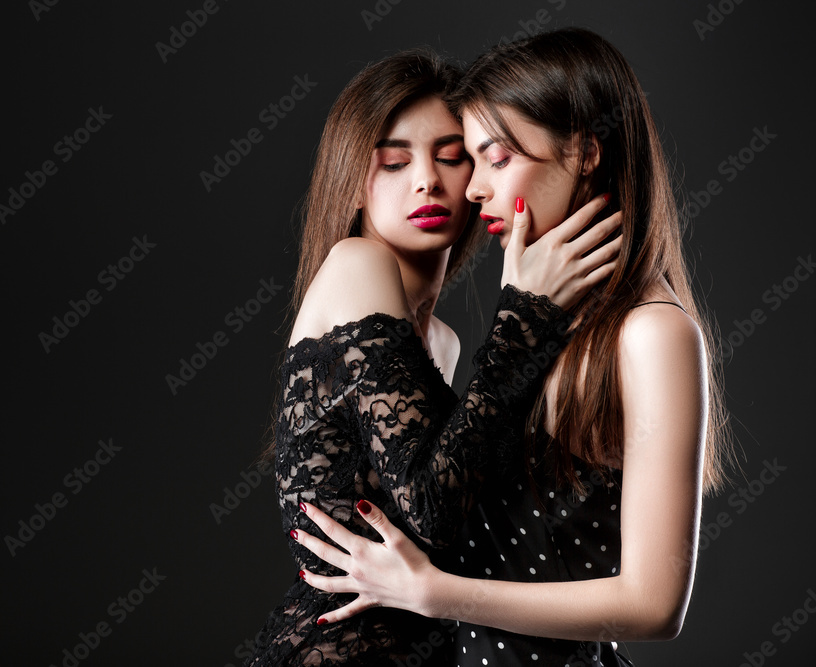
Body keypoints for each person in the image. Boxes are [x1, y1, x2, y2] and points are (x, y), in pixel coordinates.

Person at [292, 28, 733, 666]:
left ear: (584, 152)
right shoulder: (550, 325)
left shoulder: (652, 331)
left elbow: (656, 604)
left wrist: (434, 594)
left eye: (495, 158)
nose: (470, 189)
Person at [245, 46, 621, 666]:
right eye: (394, 162)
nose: (427, 180)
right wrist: (526, 315)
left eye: (453, 157)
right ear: (352, 180)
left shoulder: (442, 340)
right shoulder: (356, 265)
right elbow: (433, 511)